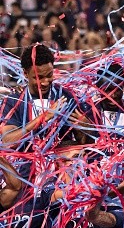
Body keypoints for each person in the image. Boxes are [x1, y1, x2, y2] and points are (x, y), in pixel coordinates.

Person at [0, 44, 90, 178]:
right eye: (39, 77)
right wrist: (42, 118)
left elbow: (84, 142)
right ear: (25, 73)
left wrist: (87, 128)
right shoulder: (14, 101)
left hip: (60, 177)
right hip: (26, 178)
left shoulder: (65, 97)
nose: (45, 82)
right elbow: (8, 141)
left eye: (49, 75)